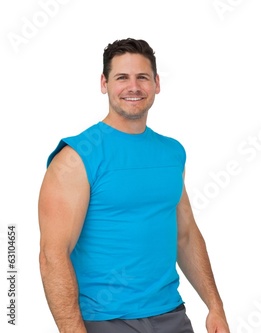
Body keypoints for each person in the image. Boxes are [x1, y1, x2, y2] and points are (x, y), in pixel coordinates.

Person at [38, 38, 230, 333]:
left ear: (156, 83)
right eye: (122, 78)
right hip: (104, 320)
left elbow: (187, 235)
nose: (133, 87)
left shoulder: (171, 152)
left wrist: (215, 307)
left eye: (142, 77)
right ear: (104, 83)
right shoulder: (76, 157)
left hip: (172, 316)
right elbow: (53, 255)